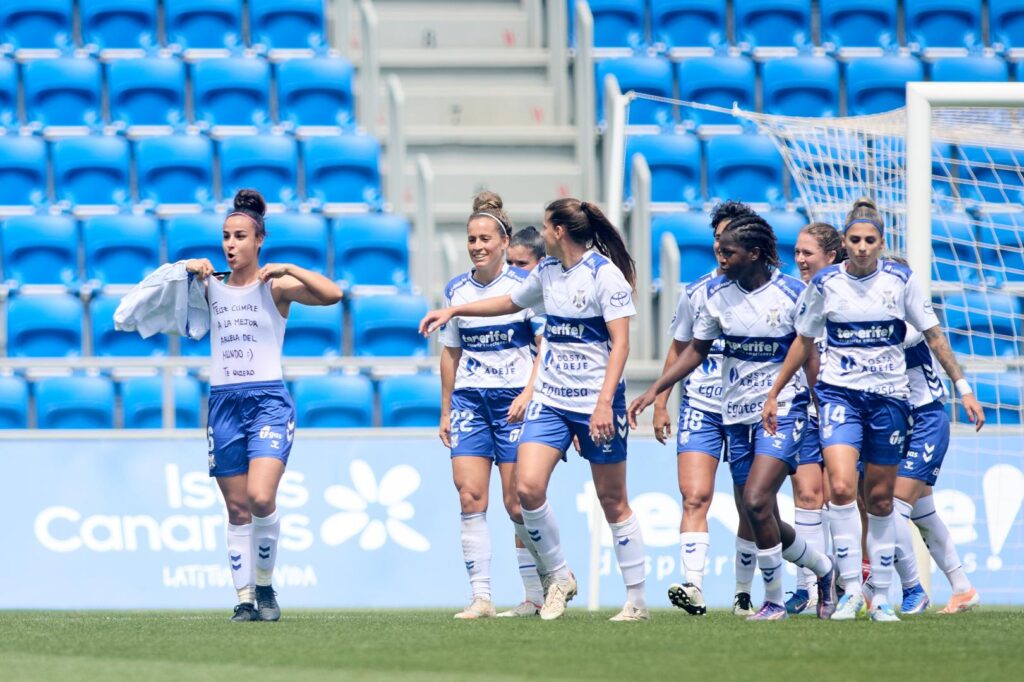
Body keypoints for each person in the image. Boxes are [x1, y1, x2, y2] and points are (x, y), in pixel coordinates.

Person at [421, 198, 649, 622]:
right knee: (525, 491)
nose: (540, 233)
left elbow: (621, 343)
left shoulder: (605, 275)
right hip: (553, 400)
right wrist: (455, 309)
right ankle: (559, 576)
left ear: (560, 231)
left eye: (546, 227)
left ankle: (636, 600)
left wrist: (603, 403)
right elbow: (509, 303)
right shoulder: (545, 272)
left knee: (613, 499)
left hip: (596, 401)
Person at [761, 198, 985, 622]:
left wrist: (965, 387)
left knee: (882, 502)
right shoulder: (826, 285)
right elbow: (804, 340)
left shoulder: (900, 282)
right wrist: (774, 391)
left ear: (881, 243)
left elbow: (934, 336)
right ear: (845, 243)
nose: (862, 246)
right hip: (840, 398)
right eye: (855, 240)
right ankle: (851, 590)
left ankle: (883, 594)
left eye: (870, 240)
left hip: (896, 405)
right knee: (843, 489)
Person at [629, 213, 836, 622]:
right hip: (735, 413)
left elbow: (809, 353)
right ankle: (824, 569)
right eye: (718, 250)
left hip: (783, 411)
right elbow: (695, 350)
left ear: (755, 253)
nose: (719, 258)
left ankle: (773, 600)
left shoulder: (794, 294)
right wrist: (657, 389)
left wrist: (820, 407)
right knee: (761, 513)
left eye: (728, 252)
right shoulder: (714, 296)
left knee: (758, 500)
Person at [186, 189, 343, 622]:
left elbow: (334, 295)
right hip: (223, 402)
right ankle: (244, 598)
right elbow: (157, 298)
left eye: (240, 236)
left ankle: (267, 585)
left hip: (268, 400)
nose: (230, 244)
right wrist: (185, 269)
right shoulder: (208, 287)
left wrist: (290, 267)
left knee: (260, 496)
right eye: (225, 236)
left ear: (259, 241)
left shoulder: (276, 287)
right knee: (236, 509)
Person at [650, 201, 763, 618]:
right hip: (701, 404)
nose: (721, 246)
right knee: (694, 495)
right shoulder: (696, 293)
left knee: (750, 503)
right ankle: (693, 586)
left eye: (729, 238)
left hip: (748, 409)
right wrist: (661, 401)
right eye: (717, 238)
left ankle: (742, 592)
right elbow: (680, 349)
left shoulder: (769, 293)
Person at [438, 192, 545, 619]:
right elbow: (451, 353)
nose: (477, 246)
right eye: (471, 239)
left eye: (485, 238)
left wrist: (529, 393)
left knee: (517, 501)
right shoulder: (455, 290)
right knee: (469, 496)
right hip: (470, 400)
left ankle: (539, 591)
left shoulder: (524, 288)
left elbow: (544, 348)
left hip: (514, 400)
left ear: (504, 242)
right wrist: (446, 409)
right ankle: (481, 596)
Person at [881, 258, 981, 615]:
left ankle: (906, 590)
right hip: (896, 423)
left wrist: (964, 389)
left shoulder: (906, 325)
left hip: (926, 420)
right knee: (923, 514)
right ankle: (962, 588)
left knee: (891, 508)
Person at [785, 222, 845, 615]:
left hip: (843, 409)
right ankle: (807, 588)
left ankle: (849, 583)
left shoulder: (849, 294)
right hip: (803, 409)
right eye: (798, 253)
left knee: (841, 494)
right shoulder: (795, 296)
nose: (801, 260)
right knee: (807, 496)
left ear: (831, 256)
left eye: (808, 253)